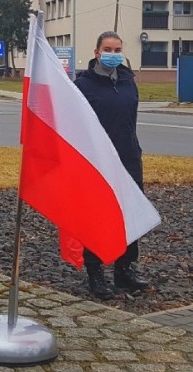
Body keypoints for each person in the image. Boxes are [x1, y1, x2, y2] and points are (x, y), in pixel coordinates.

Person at [73, 31, 150, 300]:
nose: (113, 54)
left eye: (117, 49)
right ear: (96, 52)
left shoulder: (129, 81)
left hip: (128, 158)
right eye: (108, 48)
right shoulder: (83, 85)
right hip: (98, 163)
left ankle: (125, 269)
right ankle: (96, 273)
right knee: (97, 216)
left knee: (131, 215)